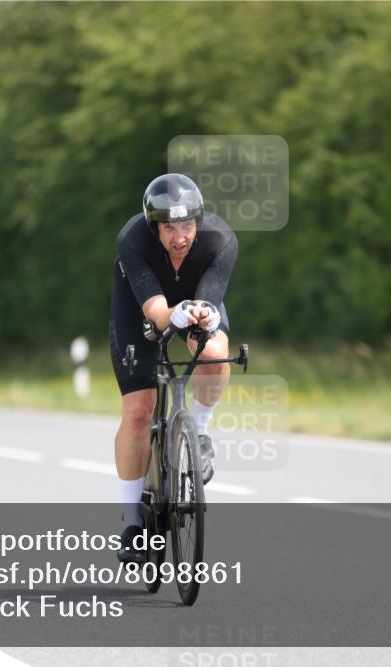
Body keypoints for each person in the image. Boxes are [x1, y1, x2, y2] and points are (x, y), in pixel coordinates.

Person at [109, 173, 238, 563]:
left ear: (198, 222)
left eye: (186, 225)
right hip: (141, 310)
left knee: (215, 353)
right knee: (138, 412)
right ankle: (131, 521)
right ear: (155, 227)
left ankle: (198, 431)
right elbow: (156, 313)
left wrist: (198, 315)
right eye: (169, 227)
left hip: (197, 302)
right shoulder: (133, 239)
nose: (179, 237)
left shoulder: (221, 240)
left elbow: (210, 305)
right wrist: (174, 314)